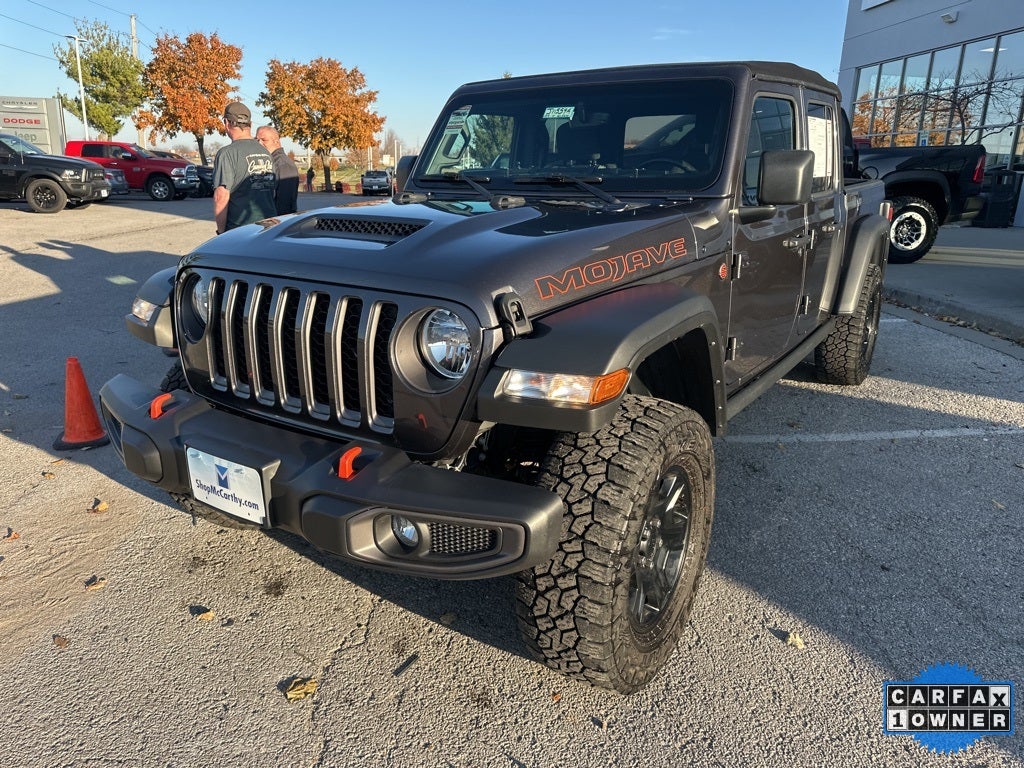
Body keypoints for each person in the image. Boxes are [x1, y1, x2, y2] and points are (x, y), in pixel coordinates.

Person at [211, 101, 276, 235]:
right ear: (250, 125)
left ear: (227, 123)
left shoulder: (227, 153)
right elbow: (272, 190)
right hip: (268, 227)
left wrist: (221, 232)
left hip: (240, 230)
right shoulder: (266, 153)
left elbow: (221, 197)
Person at [255, 124, 299, 215]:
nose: (259, 143)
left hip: (278, 222)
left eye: (264, 140)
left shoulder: (284, 165)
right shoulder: (269, 161)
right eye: (257, 140)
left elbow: (285, 203)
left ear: (276, 141)